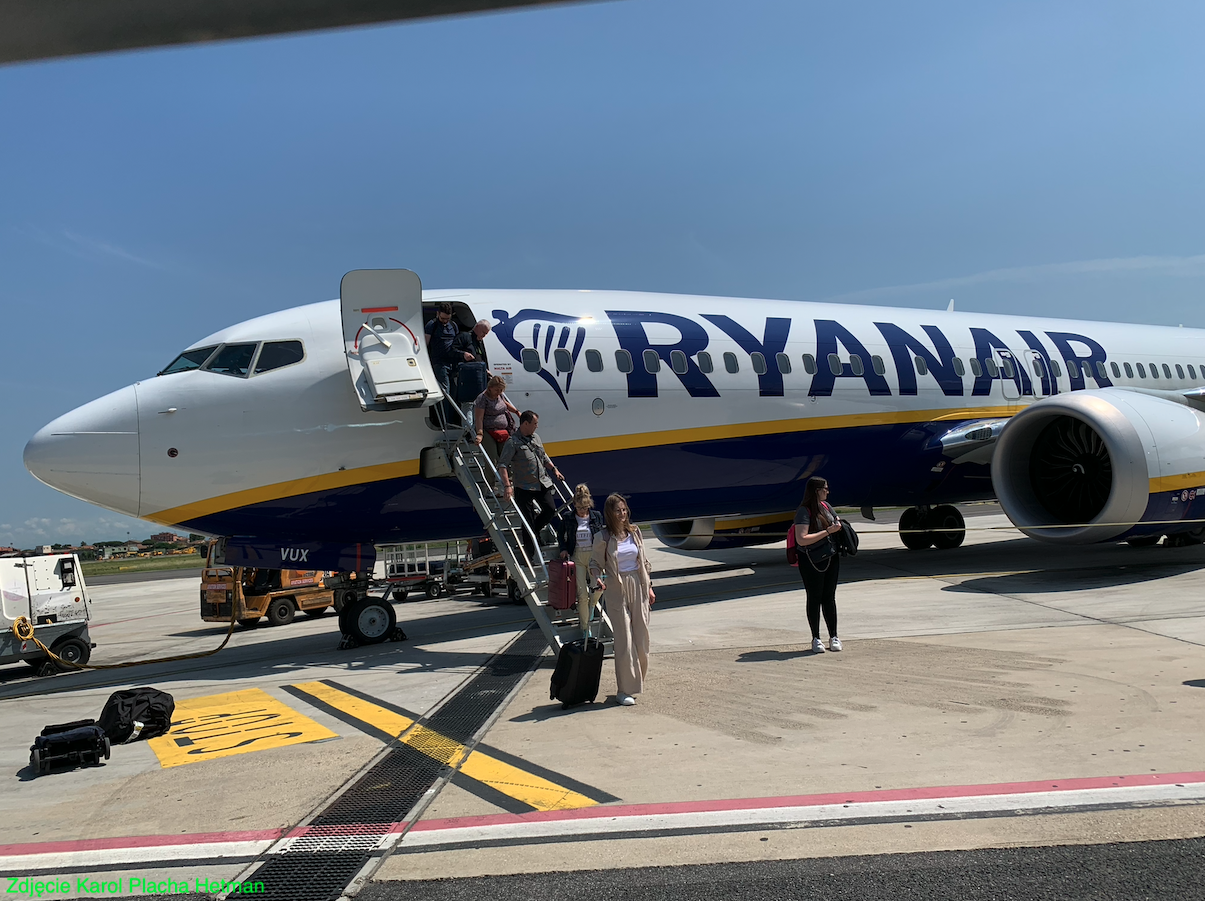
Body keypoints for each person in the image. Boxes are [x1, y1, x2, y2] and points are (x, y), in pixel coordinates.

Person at [589, 494, 655, 706]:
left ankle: (637, 682)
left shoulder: (635, 533)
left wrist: (650, 587)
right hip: (616, 589)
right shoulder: (603, 537)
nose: (622, 513)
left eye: (624, 509)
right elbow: (594, 563)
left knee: (642, 638)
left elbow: (644, 562)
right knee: (624, 639)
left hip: (638, 584)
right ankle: (624, 689)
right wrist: (596, 578)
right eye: (618, 510)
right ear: (610, 513)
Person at [498, 411, 563, 554]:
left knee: (550, 509)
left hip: (541, 482)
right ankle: (531, 554)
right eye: (535, 423)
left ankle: (535, 531)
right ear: (525, 424)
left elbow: (543, 456)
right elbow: (502, 465)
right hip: (523, 486)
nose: (537, 426)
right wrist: (507, 486)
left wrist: (554, 469)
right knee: (527, 520)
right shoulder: (512, 442)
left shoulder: (536, 438)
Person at [794, 476, 842, 653]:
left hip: (830, 556)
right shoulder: (804, 511)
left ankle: (834, 636)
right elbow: (802, 539)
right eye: (825, 489)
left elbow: (836, 520)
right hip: (810, 559)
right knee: (814, 597)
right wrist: (828, 531)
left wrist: (838, 525)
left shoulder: (826, 506)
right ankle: (816, 638)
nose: (827, 491)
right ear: (817, 491)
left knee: (829, 597)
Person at [556, 484, 606, 633]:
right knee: (582, 594)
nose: (582, 511)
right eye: (579, 508)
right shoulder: (568, 517)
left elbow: (602, 535)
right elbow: (560, 535)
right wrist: (563, 548)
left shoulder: (596, 516)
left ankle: (592, 605)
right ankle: (585, 627)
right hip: (577, 556)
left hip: (593, 556)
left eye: (585, 508)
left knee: (599, 588)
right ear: (574, 505)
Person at [472, 376, 520, 474]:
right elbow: (479, 418)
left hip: (502, 431)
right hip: (488, 431)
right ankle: (491, 481)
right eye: (497, 390)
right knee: (492, 458)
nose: (499, 392)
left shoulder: (499, 395)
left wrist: (516, 412)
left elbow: (505, 404)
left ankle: (508, 479)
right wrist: (480, 434)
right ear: (490, 388)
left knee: (506, 456)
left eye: (501, 390)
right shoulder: (482, 398)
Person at [424, 302, 460, 422]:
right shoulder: (432, 325)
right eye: (443, 318)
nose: (445, 321)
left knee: (453, 393)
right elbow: (425, 344)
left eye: (447, 319)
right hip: (439, 363)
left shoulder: (453, 325)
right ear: (437, 314)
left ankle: (451, 419)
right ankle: (444, 421)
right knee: (445, 393)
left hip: (452, 364)